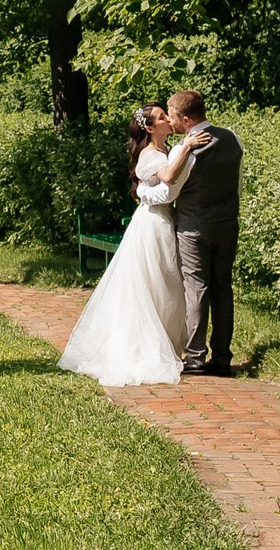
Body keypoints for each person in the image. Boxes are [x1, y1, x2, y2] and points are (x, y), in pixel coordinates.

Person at [58, 104, 216, 387]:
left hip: (165, 220)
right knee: (156, 284)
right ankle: (147, 348)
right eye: (161, 117)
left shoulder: (164, 151)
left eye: (166, 115)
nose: (168, 119)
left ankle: (167, 344)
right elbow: (167, 178)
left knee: (168, 286)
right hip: (153, 225)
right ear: (150, 128)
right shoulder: (149, 155)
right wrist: (188, 146)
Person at [166, 89, 242, 376]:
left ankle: (196, 357)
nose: (169, 121)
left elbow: (170, 190)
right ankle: (222, 358)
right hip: (227, 223)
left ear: (185, 119)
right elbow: (237, 183)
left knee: (197, 288)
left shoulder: (183, 149)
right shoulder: (232, 138)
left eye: (171, 116)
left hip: (193, 226)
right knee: (223, 288)